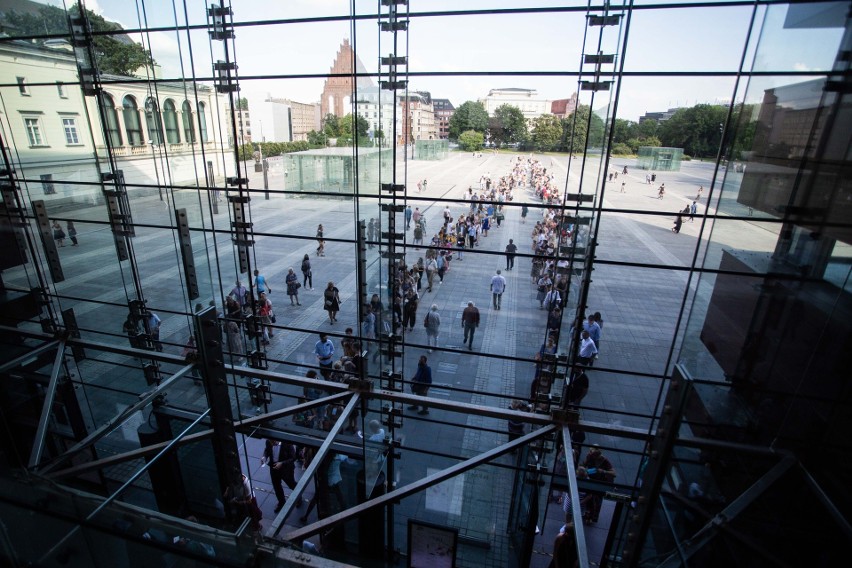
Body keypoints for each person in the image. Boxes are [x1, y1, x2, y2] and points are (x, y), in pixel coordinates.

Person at [263, 440, 301, 513]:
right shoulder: (268, 441)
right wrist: (264, 456)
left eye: (273, 443)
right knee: (276, 486)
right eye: (271, 443)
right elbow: (267, 450)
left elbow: (293, 457)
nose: (272, 444)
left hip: (286, 469)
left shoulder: (288, 443)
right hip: (273, 468)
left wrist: (282, 463)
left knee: (291, 484)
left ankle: (299, 497)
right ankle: (282, 502)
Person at [582, 446, 617, 523]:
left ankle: (593, 517)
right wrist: (584, 470)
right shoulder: (590, 456)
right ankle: (588, 514)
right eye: (591, 453)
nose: (592, 455)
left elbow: (614, 474)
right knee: (589, 498)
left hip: (599, 482)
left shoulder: (605, 461)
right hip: (590, 480)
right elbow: (584, 465)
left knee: (597, 501)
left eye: (594, 454)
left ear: (598, 455)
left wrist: (603, 471)